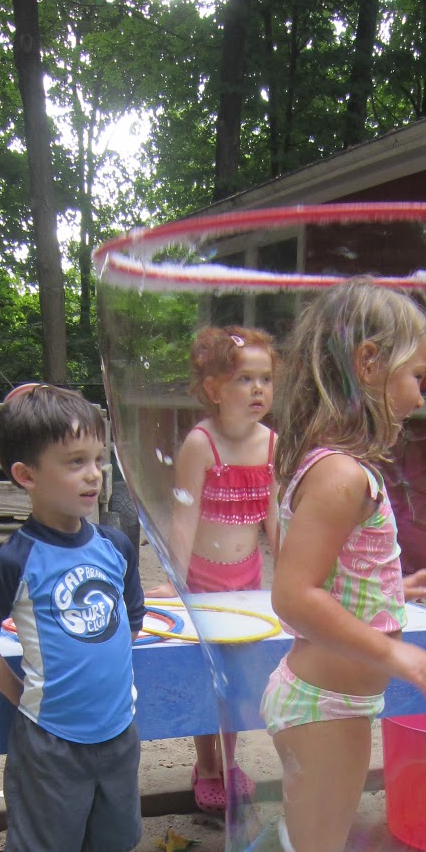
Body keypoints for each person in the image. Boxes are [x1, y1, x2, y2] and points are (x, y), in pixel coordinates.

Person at [256, 280, 426, 852]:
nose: (421, 398)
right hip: (324, 701)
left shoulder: (337, 466)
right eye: (415, 375)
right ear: (369, 364)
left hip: (330, 699)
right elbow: (293, 594)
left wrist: (397, 595)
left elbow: (336, 580)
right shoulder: (342, 474)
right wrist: (390, 648)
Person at [0, 384, 145, 852]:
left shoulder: (116, 542)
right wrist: (20, 697)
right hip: (51, 742)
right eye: (74, 463)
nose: (93, 476)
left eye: (97, 460)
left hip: (116, 732)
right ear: (25, 475)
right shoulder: (15, 559)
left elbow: (131, 615)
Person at [162, 327, 279, 814]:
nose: (258, 389)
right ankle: (205, 763)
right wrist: (173, 582)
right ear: (213, 388)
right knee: (206, 678)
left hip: (248, 581)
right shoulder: (200, 443)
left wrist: (297, 575)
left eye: (266, 379)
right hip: (204, 581)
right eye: (243, 378)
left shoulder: (271, 442)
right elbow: (184, 517)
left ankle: (229, 761)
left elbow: (275, 517)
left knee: (238, 678)